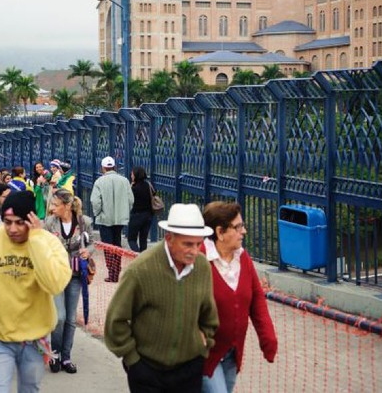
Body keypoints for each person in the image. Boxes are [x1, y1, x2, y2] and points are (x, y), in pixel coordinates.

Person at [0, 191, 72, 393]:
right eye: (7, 222)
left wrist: (36, 240)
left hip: (35, 339)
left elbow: (55, 285)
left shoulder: (48, 242)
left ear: (32, 219)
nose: (12, 229)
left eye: (20, 222)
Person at [104, 203, 219, 392]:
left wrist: (204, 346)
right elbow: (116, 320)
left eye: (198, 244)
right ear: (169, 239)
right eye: (188, 244)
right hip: (147, 371)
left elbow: (209, 314)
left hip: (189, 370)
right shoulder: (141, 269)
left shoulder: (202, 267)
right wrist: (132, 359)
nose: (194, 251)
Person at [200, 201, 277, 392]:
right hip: (205, 353)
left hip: (233, 352)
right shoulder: (200, 259)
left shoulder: (243, 258)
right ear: (220, 232)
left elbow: (257, 300)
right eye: (238, 227)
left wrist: (268, 338)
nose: (244, 231)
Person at [43, 189, 94, 374]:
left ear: (66, 206)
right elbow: (41, 244)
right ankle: (54, 354)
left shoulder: (84, 222)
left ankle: (66, 358)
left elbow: (92, 243)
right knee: (60, 317)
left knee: (71, 319)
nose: (51, 208)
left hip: (75, 275)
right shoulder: (49, 223)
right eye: (52, 204)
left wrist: (88, 251)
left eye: (55, 205)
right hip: (56, 275)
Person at [90, 156, 133, 283]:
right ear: (114, 167)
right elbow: (130, 199)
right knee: (117, 244)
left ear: (103, 167)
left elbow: (95, 201)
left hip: (104, 218)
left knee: (108, 246)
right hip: (120, 218)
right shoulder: (124, 181)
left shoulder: (99, 182)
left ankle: (111, 272)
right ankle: (116, 271)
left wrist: (97, 213)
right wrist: (124, 211)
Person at [128, 166, 154, 252]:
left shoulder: (134, 188)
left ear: (135, 175)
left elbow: (129, 200)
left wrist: (131, 186)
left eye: (132, 174)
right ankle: (143, 256)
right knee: (143, 239)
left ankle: (137, 255)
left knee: (131, 239)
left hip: (136, 215)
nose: (131, 176)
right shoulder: (148, 185)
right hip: (148, 215)